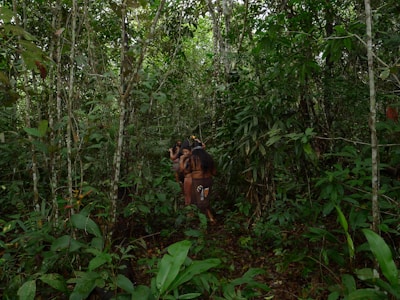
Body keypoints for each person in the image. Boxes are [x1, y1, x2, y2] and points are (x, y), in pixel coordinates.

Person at [188, 140, 217, 223]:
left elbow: (187, 170)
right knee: (205, 197)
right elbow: (214, 172)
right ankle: (210, 217)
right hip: (208, 180)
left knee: (201, 199)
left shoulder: (192, 158)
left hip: (198, 181)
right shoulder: (208, 157)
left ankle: (209, 218)